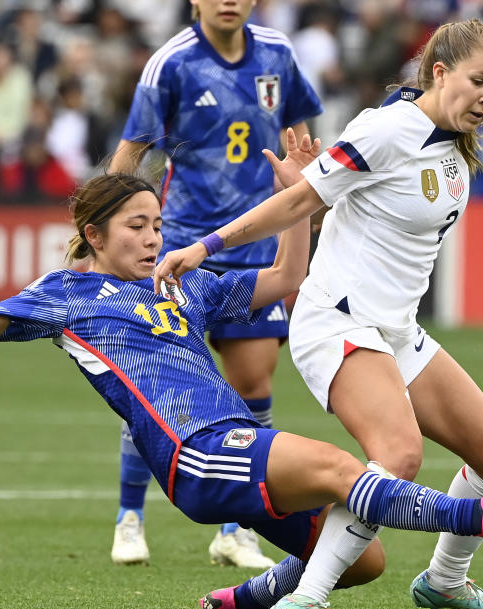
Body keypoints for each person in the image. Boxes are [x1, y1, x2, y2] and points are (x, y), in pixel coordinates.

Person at [0, 152, 483, 609]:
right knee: (348, 470)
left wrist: (298, 205)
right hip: (196, 455)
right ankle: (477, 515)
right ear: (94, 233)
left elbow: (282, 281)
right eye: (136, 227)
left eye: (156, 224)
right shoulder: (65, 296)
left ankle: (243, 601)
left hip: (232, 450)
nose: (152, 238)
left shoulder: (183, 287)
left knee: (360, 561)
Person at [157, 18, 483, 609]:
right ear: (439, 72)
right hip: (337, 322)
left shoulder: (455, 143)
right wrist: (205, 247)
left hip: (397, 332)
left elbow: (357, 217)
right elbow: (301, 201)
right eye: (478, 81)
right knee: (397, 455)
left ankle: (445, 580)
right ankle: (303, 599)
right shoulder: (388, 129)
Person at [105, 0, 323, 568]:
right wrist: (103, 232)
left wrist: (310, 194)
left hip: (257, 246)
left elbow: (300, 137)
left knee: (252, 385)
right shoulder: (171, 64)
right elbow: (134, 151)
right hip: (181, 250)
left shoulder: (277, 53)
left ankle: (236, 528)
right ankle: (130, 518)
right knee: (164, 391)